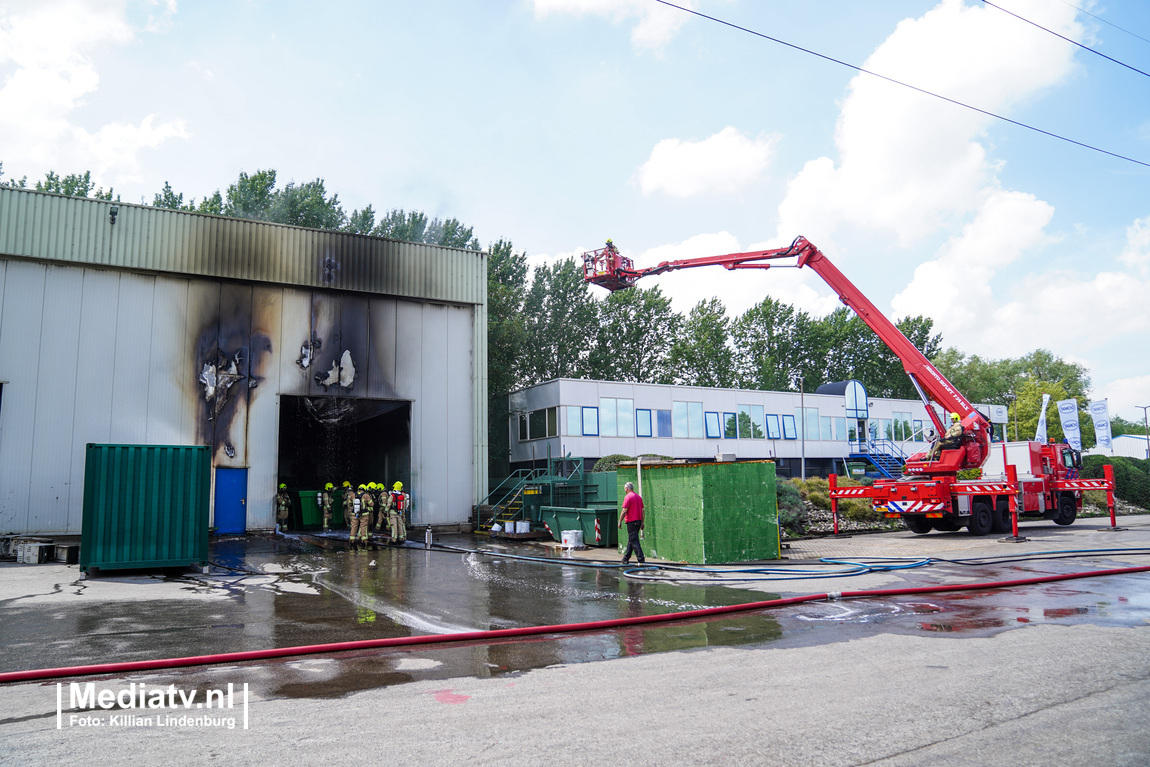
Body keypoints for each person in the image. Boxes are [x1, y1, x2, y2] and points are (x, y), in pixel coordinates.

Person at [618, 481, 645, 566]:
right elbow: (642, 511)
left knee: (634, 540)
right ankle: (626, 558)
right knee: (631, 540)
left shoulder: (628, 497)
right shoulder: (638, 497)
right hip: (638, 521)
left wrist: (620, 521)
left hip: (631, 522)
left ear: (626, 488)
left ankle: (641, 559)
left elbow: (624, 510)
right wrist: (642, 522)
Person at [349, 484, 373, 550]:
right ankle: (364, 541)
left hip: (355, 514)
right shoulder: (366, 495)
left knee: (353, 527)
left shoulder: (353, 495)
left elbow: (349, 503)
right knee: (363, 527)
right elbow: (371, 504)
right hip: (364, 514)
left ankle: (352, 540)